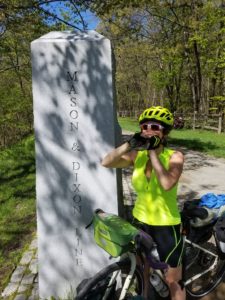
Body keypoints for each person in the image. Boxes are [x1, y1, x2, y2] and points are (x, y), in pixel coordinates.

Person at [101, 106, 185, 300]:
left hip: (166, 224)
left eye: (154, 127)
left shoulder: (175, 156)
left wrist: (153, 153)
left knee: (173, 279)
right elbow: (106, 162)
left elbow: (166, 183)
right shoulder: (137, 157)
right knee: (143, 270)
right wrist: (129, 144)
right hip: (140, 221)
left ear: (164, 132)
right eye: (144, 126)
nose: (148, 130)